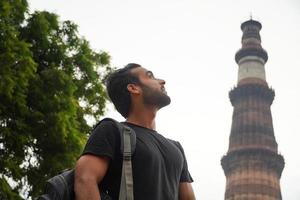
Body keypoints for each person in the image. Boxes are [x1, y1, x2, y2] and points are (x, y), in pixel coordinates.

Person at [74, 63, 195, 200]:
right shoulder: (112, 130)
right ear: (133, 88)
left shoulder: (176, 148)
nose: (162, 81)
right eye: (150, 76)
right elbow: (85, 179)